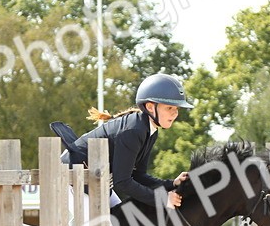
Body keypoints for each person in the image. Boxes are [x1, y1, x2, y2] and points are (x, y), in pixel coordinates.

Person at [59, 73, 191, 212]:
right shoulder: (134, 130)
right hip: (71, 176)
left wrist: (171, 184)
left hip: (95, 182)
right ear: (151, 107)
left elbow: (138, 176)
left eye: (176, 109)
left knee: (120, 224)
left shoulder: (149, 130)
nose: (175, 114)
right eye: (169, 108)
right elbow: (122, 182)